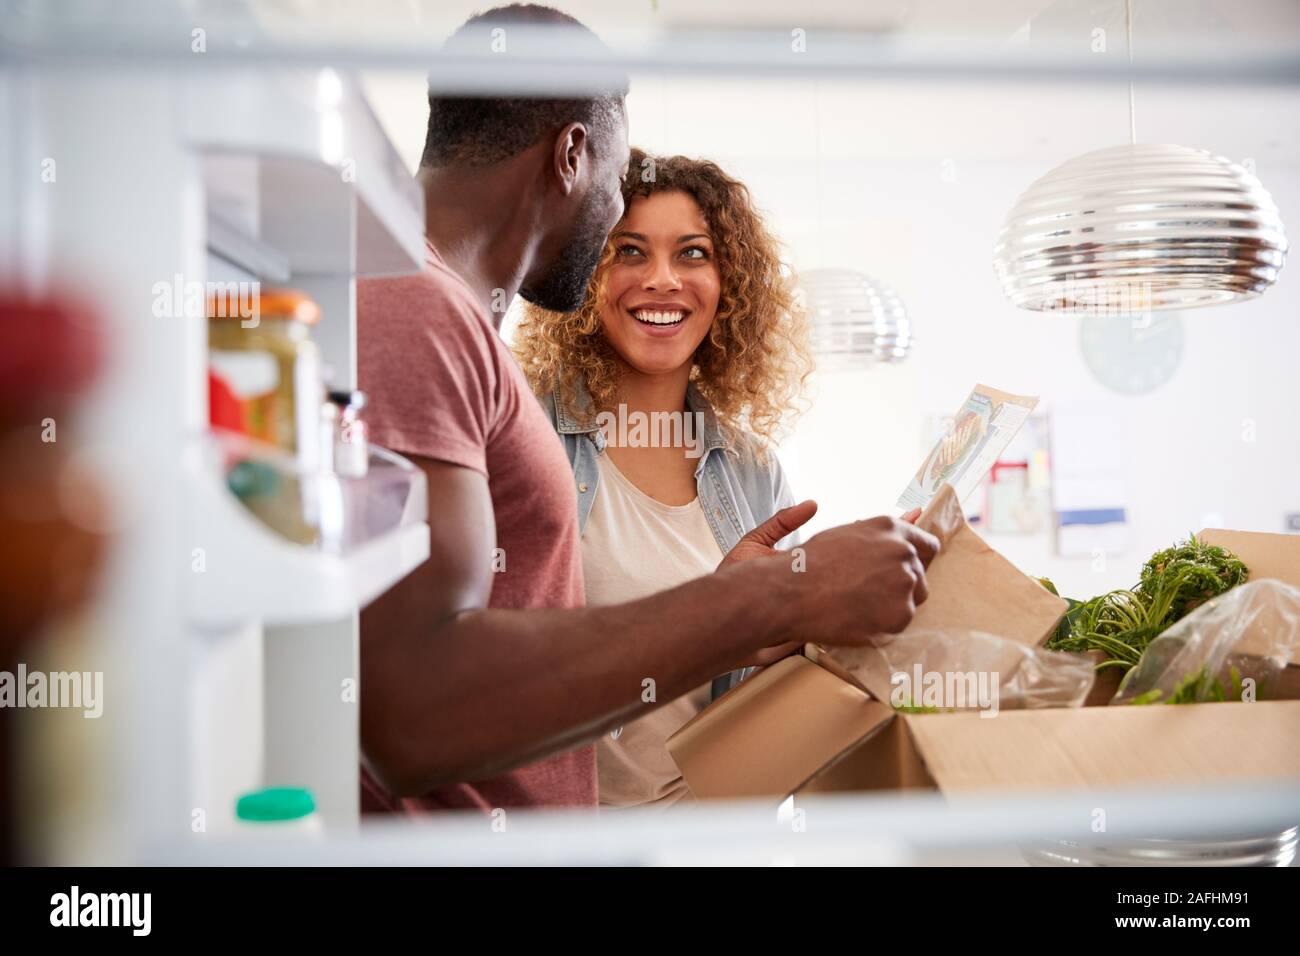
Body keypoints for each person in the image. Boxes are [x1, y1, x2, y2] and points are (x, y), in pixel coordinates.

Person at [357, 4, 938, 815]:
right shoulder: (413, 306)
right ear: (572, 154)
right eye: (617, 195)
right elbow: (410, 714)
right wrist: (774, 597)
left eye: (690, 254)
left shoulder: (430, 310)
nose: (616, 240)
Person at [515, 149, 815, 808]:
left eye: (693, 254)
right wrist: (719, 620)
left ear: (728, 283)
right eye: (628, 251)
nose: (661, 280)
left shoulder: (752, 470)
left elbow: (780, 693)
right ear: (587, 272)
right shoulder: (521, 431)